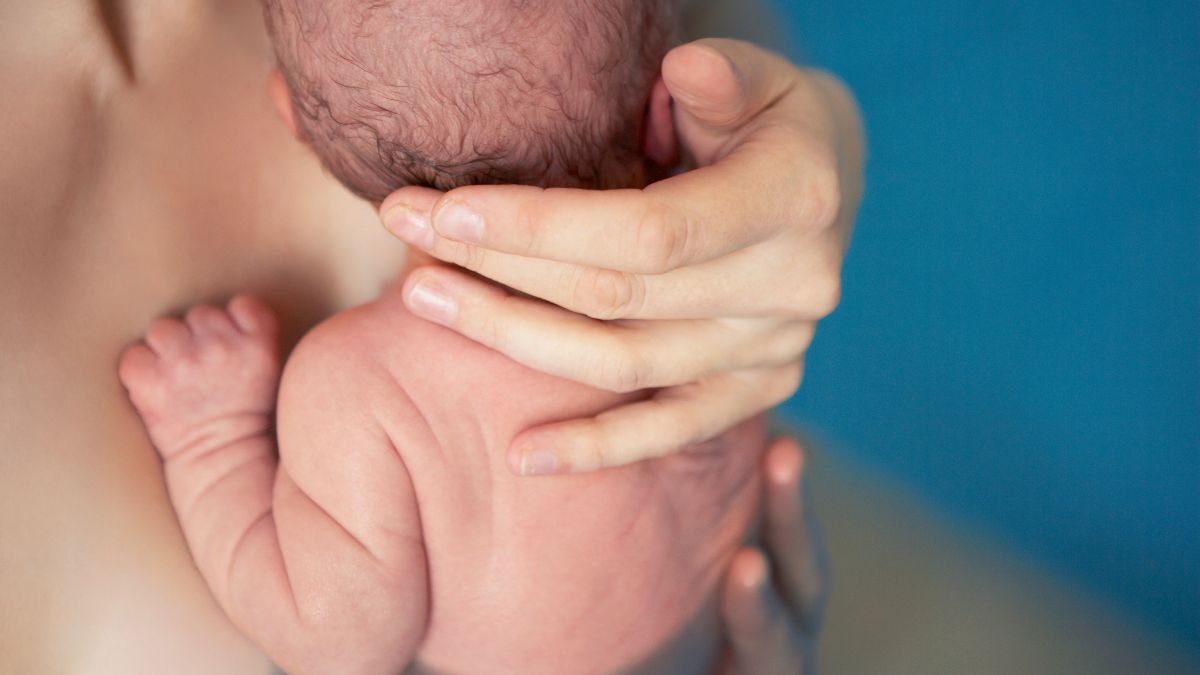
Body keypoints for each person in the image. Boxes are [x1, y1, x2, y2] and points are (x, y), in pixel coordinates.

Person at [0, 0, 858, 672]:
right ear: (662, 115)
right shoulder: (693, 235)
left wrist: (215, 443)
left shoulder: (366, 385)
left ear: (294, 123)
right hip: (726, 627)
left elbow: (338, 646)